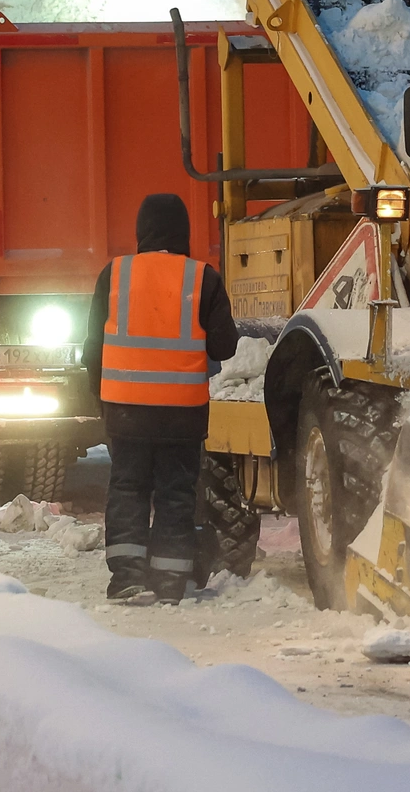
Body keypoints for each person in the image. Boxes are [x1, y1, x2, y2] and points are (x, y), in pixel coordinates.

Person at [86, 193, 239, 605]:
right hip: (182, 414)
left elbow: (91, 351)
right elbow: (225, 346)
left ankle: (127, 580)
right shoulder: (202, 278)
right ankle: (170, 581)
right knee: (176, 492)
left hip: (125, 411)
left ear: (141, 231)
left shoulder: (113, 274)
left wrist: (102, 400)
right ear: (184, 232)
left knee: (128, 489)